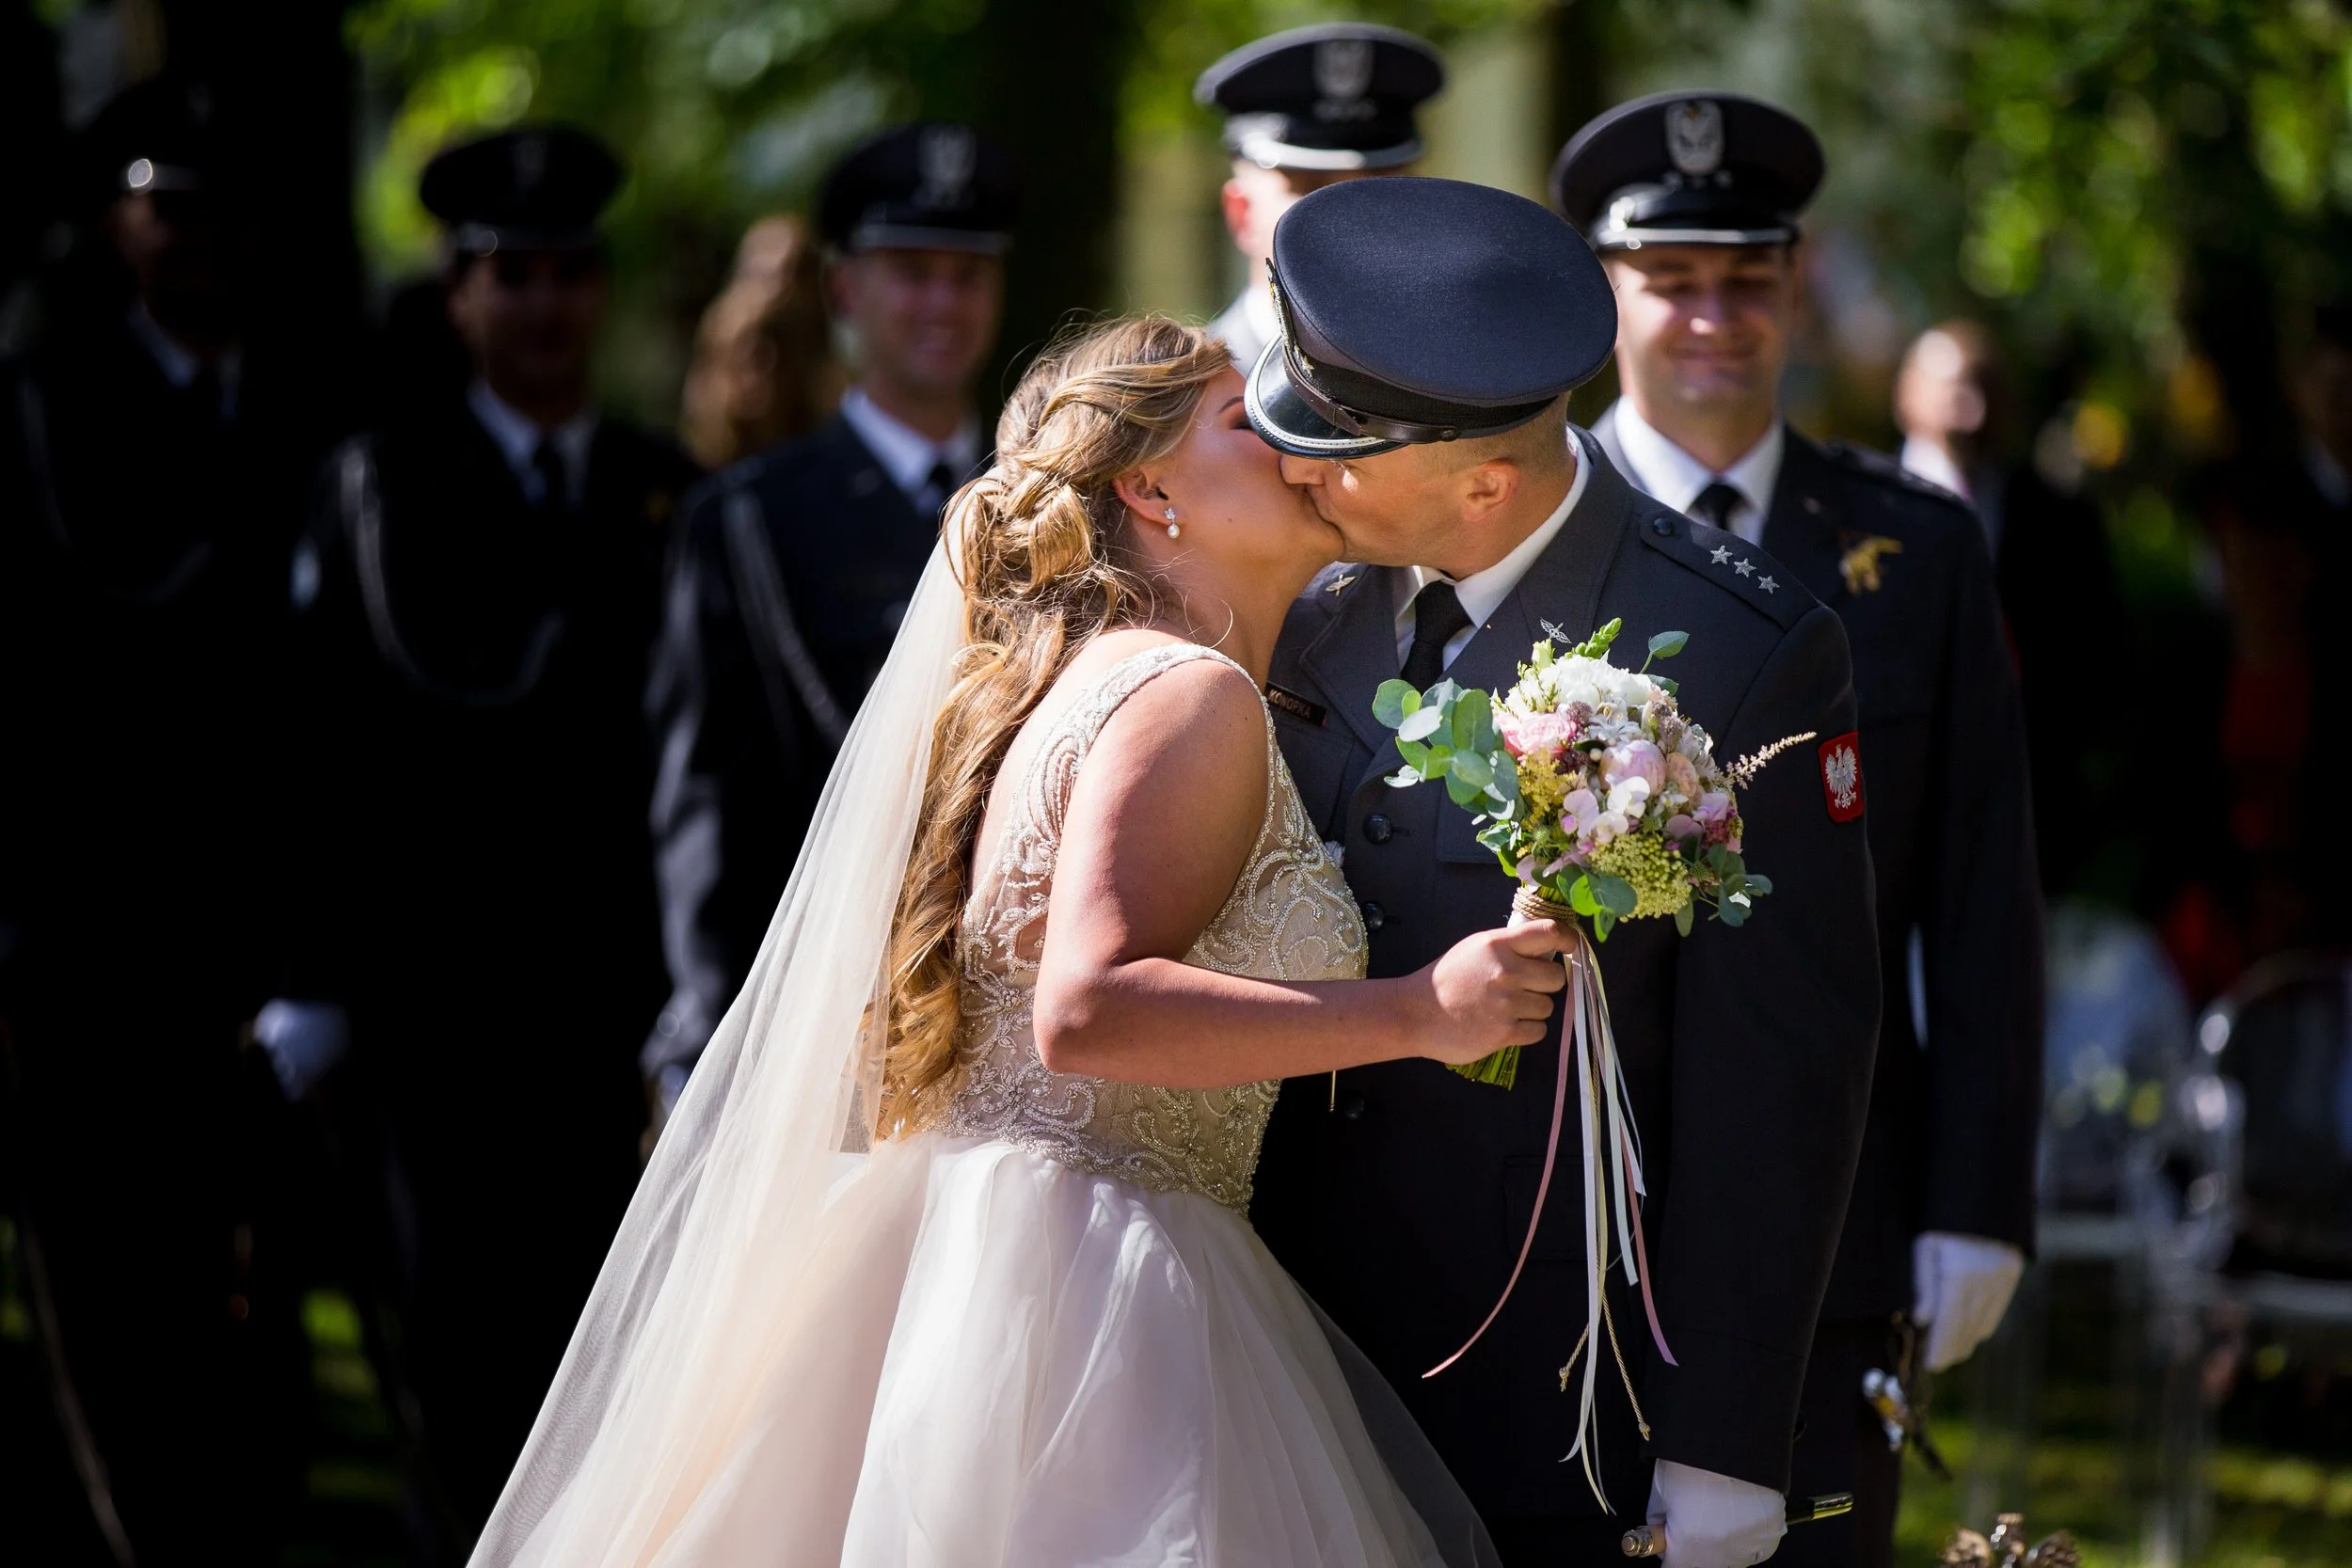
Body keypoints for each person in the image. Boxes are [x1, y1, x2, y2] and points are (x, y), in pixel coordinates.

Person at [470, 314, 1572, 1567]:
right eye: (1240, 418)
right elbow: (1087, 1006)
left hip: (992, 1249)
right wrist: (1420, 1012)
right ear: (1149, 488)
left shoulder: (1110, 676)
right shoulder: (1183, 691)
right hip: (1089, 1290)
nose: (1290, 442)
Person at [1245, 173, 1882, 1568]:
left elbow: (1777, 1078)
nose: (1296, 468)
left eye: (1341, 450)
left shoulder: (1734, 647)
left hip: (1547, 1389)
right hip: (1274, 1346)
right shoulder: (1307, 595)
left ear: (1484, 476)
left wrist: (1726, 1436)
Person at [1555, 93, 2044, 1568]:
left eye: (1747, 278)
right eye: (1673, 278)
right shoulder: (1519, 521)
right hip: (1572, 1204)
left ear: (1795, 281)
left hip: (1844, 1209)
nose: (1714, 315)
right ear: (1608, 289)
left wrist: (1979, 1195)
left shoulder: (1914, 552)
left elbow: (1978, 892)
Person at [284, 124, 699, 1533]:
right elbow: (327, 742)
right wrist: (320, 979)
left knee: (616, 1370)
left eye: (569, 272)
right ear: (457, 291)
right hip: (434, 1013)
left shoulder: (663, 486)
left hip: (612, 1003)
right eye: (510, 273)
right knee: (455, 1374)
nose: (544, 303)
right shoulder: (378, 484)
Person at [0, 74, 335, 1564]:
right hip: (87, 940)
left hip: (277, 947)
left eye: (218, 212)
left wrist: (320, 956)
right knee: (107, 1314)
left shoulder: (316, 408)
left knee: (268, 1336)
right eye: (164, 204)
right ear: (112, 217)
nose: (193, 238)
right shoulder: (43, 406)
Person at [644, 122, 1016, 1103]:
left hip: (1013, 1007)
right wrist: (705, 1018)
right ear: (845, 289)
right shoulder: (750, 517)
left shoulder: (1050, 505)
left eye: (966, 274)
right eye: (912, 271)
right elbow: (707, 796)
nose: (943, 301)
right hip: (820, 997)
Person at [1891, 321, 2122, 893]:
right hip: (1897, 815)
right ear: (1907, 394)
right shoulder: (1852, 513)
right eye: (1954, 386)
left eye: (1986, 387)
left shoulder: (2061, 519)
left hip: (2037, 815)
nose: (1970, 407)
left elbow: (2103, 652)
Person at [1193, 23, 1443, 371]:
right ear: (1242, 214)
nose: (1349, 214)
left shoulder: (1467, 393)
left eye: (1379, 188)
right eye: (1311, 188)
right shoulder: (1178, 412)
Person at [677, 214, 841, 469]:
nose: (776, 291)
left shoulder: (839, 407)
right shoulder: (724, 329)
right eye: (759, 273)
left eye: (792, 274)